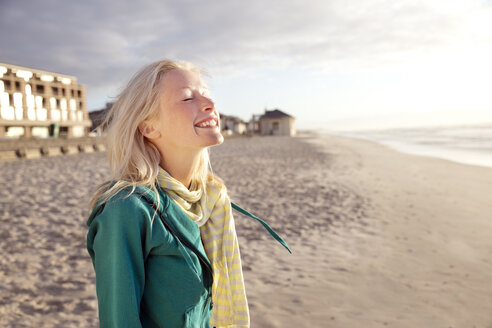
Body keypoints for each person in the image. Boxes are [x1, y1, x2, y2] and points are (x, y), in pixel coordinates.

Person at [86, 59, 290, 328]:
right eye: (186, 98)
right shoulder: (126, 210)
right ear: (149, 127)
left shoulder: (211, 199)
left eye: (206, 93)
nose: (209, 104)